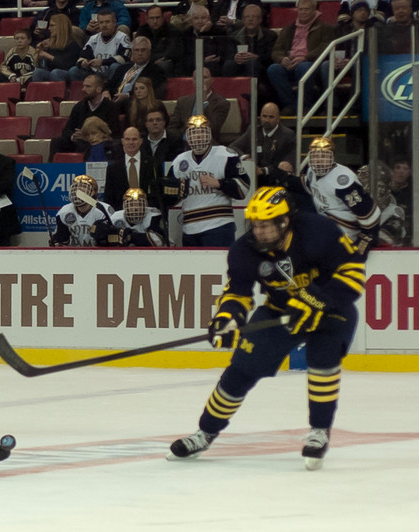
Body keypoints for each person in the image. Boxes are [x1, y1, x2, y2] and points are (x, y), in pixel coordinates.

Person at [167, 186, 366, 470]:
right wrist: (227, 317)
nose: (259, 232)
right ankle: (205, 432)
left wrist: (314, 299)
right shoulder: (244, 250)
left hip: (331, 309)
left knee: (324, 360)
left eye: (266, 225)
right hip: (279, 311)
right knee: (240, 370)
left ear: (284, 222)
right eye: (255, 225)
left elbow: (353, 274)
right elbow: (238, 291)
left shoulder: (318, 231)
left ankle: (319, 431)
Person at [163, 115, 250, 247]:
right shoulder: (179, 161)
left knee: (219, 266)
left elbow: (244, 188)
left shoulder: (225, 155)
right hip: (189, 228)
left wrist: (219, 183)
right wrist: (175, 191)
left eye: (201, 133)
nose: (198, 137)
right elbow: (168, 198)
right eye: (194, 134)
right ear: (187, 136)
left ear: (209, 134)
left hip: (220, 225)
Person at [298, 136, 381, 255]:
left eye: (324, 156)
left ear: (332, 157)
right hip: (327, 226)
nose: (319, 160)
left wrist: (367, 237)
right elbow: (305, 186)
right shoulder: (311, 172)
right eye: (316, 156)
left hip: (345, 231)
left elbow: (368, 212)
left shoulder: (342, 180)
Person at [267, 0, 334, 113]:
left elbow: (325, 47)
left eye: (306, 9)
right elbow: (276, 50)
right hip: (290, 62)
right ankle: (290, 104)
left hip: (310, 62)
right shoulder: (288, 28)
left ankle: (305, 105)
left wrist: (305, 57)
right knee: (273, 69)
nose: (303, 12)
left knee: (304, 68)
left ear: (314, 10)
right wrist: (282, 59)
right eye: (301, 9)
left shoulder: (325, 28)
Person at [51, 74, 121, 155]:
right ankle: (52, 167)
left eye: (88, 87)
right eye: (83, 86)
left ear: (98, 89)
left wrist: (88, 136)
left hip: (99, 142)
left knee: (85, 145)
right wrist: (73, 136)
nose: (83, 89)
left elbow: (114, 132)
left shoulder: (110, 106)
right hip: (79, 141)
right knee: (57, 142)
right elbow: (67, 130)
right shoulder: (79, 106)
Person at [230, 102, 296, 180]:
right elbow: (232, 147)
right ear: (260, 116)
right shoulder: (253, 130)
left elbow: (286, 163)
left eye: (271, 117)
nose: (267, 120)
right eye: (264, 116)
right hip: (253, 175)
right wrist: (244, 157)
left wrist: (263, 171)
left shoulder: (287, 135)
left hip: (274, 177)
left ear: (278, 119)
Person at [167, 68, 230, 144]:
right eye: (197, 78)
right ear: (193, 81)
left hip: (207, 143)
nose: (201, 81)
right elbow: (172, 127)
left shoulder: (221, 103)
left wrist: (205, 102)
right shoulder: (182, 101)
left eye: (205, 77)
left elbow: (214, 128)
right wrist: (181, 138)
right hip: (182, 142)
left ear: (212, 80)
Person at [49, 174, 114, 246]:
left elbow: (112, 241)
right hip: (73, 255)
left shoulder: (104, 210)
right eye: (75, 190)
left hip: (98, 255)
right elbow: (62, 241)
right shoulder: (64, 212)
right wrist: (57, 241)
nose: (77, 194)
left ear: (93, 193)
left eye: (82, 190)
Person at [71, 8, 131, 84]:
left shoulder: (122, 37)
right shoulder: (93, 39)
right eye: (101, 22)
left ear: (115, 23)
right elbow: (81, 58)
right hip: (95, 74)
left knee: (115, 66)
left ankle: (110, 90)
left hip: (112, 74)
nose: (104, 25)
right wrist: (84, 63)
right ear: (98, 24)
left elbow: (124, 58)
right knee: (73, 71)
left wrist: (103, 62)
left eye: (107, 22)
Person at [107, 37, 167, 111]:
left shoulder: (156, 71)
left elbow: (152, 93)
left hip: (134, 104)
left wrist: (127, 96)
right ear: (132, 52)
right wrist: (105, 91)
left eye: (143, 50)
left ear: (149, 52)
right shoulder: (122, 68)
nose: (140, 53)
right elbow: (109, 84)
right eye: (136, 50)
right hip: (113, 101)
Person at [221, 3, 277, 80]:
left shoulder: (271, 36)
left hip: (261, 69)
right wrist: (235, 57)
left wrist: (257, 57)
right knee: (229, 65)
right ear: (243, 20)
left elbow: (272, 56)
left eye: (254, 16)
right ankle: (231, 90)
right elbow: (227, 54)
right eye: (247, 17)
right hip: (239, 65)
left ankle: (252, 90)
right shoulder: (234, 36)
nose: (250, 19)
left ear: (260, 19)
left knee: (252, 64)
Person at [104, 126, 156, 208]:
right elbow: (109, 198)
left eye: (134, 139)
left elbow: (158, 193)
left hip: (148, 213)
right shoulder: (112, 169)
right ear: (122, 141)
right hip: (122, 215)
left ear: (141, 141)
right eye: (127, 139)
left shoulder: (153, 164)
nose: (131, 142)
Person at [30, 13, 83, 83]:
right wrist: (41, 55)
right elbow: (48, 66)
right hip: (52, 72)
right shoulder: (51, 44)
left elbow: (66, 65)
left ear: (61, 27)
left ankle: (60, 93)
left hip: (67, 74)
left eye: (52, 26)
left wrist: (47, 55)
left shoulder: (73, 44)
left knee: (56, 73)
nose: (49, 28)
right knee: (38, 72)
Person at [136, 4, 183, 74]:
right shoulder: (142, 32)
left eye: (157, 18)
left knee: (164, 65)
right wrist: (153, 61)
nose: (155, 21)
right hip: (147, 62)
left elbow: (172, 52)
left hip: (166, 63)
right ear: (147, 19)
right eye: (152, 18)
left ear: (163, 18)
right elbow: (138, 52)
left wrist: (153, 60)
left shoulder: (173, 31)